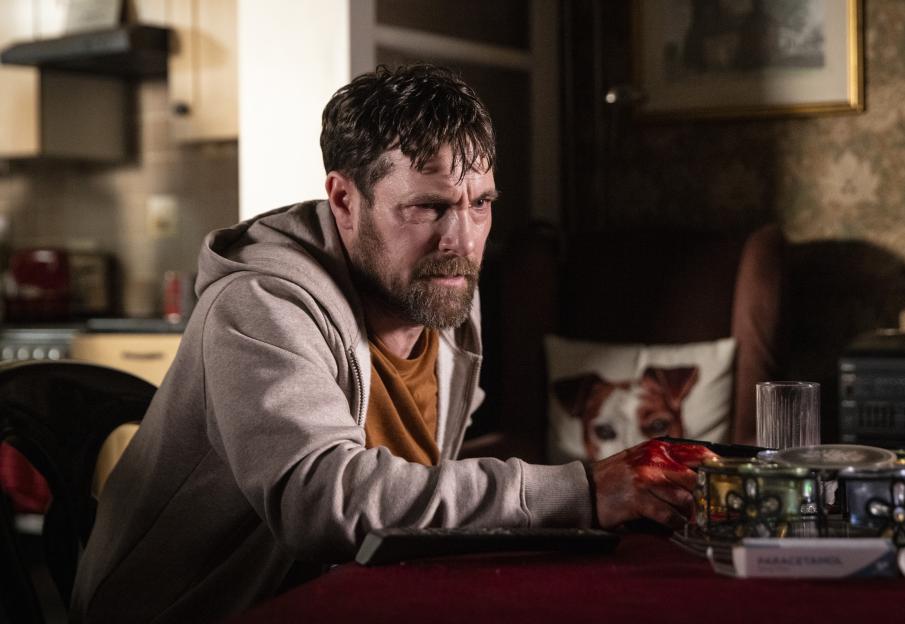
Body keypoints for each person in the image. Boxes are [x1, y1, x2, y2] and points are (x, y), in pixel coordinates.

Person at [71, 64, 710, 623]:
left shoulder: (439, 286)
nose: (462, 239)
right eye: (428, 208)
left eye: (482, 204)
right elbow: (324, 501)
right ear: (344, 199)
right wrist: (580, 491)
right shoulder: (260, 305)